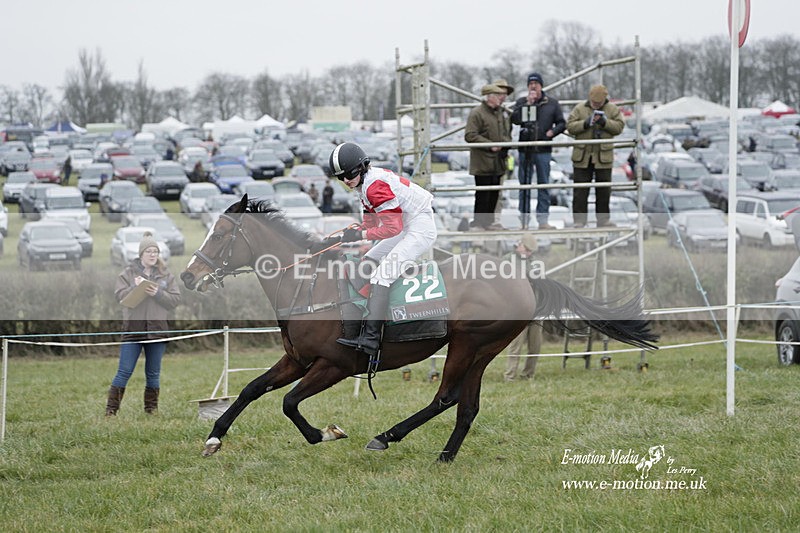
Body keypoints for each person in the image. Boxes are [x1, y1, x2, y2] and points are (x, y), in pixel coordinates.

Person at [323, 142, 437, 357]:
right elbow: (371, 223)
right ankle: (358, 323)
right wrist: (351, 233)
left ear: (362, 167)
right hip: (407, 222)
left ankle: (371, 339)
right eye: (341, 177)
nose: (346, 180)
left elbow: (393, 229)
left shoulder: (374, 186)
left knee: (382, 275)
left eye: (349, 174)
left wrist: (360, 235)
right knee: (369, 259)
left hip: (419, 227)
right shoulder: (363, 184)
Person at [105, 232, 182, 416]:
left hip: (157, 333)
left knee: (153, 374)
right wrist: (136, 287)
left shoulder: (166, 276)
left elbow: (175, 299)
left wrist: (158, 293)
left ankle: (151, 410)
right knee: (124, 371)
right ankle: (111, 411)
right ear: (141, 254)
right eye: (149, 251)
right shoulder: (127, 274)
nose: (153, 255)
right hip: (133, 331)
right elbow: (120, 297)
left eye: (156, 251)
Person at [510, 72, 566, 230]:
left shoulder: (551, 103)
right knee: (524, 186)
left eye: (536, 84)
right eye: (530, 84)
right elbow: (514, 119)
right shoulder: (521, 102)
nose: (533, 86)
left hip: (543, 150)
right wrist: (527, 104)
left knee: (543, 185)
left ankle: (543, 220)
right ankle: (524, 221)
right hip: (525, 149)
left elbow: (562, 123)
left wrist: (551, 133)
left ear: (541, 86)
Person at [566, 84, 626, 228]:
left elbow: (619, 127)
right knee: (580, 191)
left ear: (605, 99)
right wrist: (585, 124)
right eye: (593, 103)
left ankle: (603, 220)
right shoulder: (580, 108)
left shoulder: (613, 109)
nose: (595, 105)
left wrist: (605, 123)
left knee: (604, 191)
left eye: (598, 103)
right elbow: (569, 126)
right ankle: (579, 221)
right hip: (583, 157)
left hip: (603, 158)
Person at [465, 82, 513, 230]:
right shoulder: (477, 113)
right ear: (490, 97)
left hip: (498, 160)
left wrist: (505, 143)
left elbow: (506, 133)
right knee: (483, 193)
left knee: (494, 193)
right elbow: (470, 135)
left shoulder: (500, 113)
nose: (501, 98)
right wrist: (489, 144)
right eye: (498, 96)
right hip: (483, 161)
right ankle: (479, 222)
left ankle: (489, 222)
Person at [502, 233, 543, 381]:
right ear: (519, 245)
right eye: (527, 249)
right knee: (515, 345)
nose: (529, 253)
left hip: (536, 309)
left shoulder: (535, 262)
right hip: (518, 310)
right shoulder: (507, 260)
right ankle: (510, 376)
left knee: (535, 346)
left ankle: (528, 374)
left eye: (531, 251)